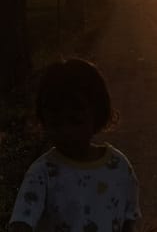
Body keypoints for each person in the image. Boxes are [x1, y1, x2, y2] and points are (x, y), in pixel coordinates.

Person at [9, 57, 141, 232]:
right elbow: (21, 223)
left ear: (97, 114)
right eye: (56, 124)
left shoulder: (118, 167)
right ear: (44, 121)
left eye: (75, 121)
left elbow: (128, 222)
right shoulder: (42, 173)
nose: (66, 131)